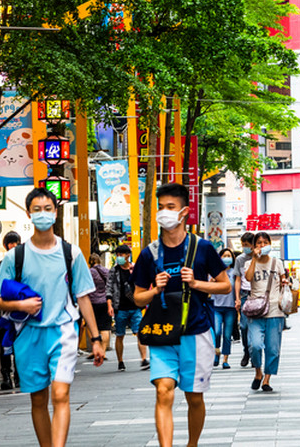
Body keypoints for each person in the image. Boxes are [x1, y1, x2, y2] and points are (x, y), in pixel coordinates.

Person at [0, 188, 106, 447]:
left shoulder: (71, 253)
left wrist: (96, 338)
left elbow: (84, 297)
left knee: (61, 393)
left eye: (47, 209)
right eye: (37, 210)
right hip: (28, 336)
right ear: (28, 213)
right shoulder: (14, 257)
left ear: (55, 212)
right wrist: (22, 304)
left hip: (63, 332)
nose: (42, 214)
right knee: (38, 399)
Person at [132, 183, 230, 447]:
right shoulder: (149, 253)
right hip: (162, 334)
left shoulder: (203, 248)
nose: (164, 212)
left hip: (196, 332)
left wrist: (197, 283)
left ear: (185, 211)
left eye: (170, 207)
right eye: (161, 207)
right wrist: (154, 290)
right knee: (163, 391)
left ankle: (192, 444)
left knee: (194, 396)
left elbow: (225, 285)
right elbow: (137, 296)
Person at [244, 232, 287, 392]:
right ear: (254, 247)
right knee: (254, 345)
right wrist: (255, 258)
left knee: (273, 348)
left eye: (265, 242)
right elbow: (248, 279)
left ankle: (267, 379)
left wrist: (285, 282)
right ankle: (258, 372)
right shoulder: (249, 263)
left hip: (275, 310)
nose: (262, 245)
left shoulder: (277, 263)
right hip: (256, 310)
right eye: (258, 243)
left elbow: (284, 279)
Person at [107, 244, 148, 371]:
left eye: (121, 255)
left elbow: (143, 283)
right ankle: (120, 361)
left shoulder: (136, 268)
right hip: (120, 308)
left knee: (139, 333)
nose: (119, 257)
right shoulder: (114, 271)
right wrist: (110, 305)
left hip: (135, 307)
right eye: (117, 255)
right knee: (120, 335)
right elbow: (108, 289)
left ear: (127, 255)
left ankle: (144, 359)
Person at [0, 231, 21, 390]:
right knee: (5, 345)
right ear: (6, 246)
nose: (13, 245)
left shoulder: (26, 264)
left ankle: (20, 376)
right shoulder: (0, 266)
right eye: (10, 243)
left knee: (21, 345)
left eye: (15, 242)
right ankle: (6, 376)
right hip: (5, 312)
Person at [211, 247, 238, 369]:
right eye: (224, 256)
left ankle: (225, 359)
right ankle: (216, 353)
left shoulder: (234, 272)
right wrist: (211, 282)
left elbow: (237, 287)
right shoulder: (215, 272)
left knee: (227, 335)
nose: (227, 258)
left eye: (229, 256)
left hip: (230, 307)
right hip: (216, 306)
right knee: (216, 332)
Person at [235, 232, 256, 367]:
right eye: (243, 245)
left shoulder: (260, 258)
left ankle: (254, 353)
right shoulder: (240, 259)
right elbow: (238, 279)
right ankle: (246, 351)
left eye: (247, 245)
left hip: (257, 295)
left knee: (256, 326)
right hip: (244, 295)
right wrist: (237, 298)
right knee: (243, 326)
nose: (244, 248)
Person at [87, 254, 113, 355]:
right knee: (105, 328)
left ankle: (95, 349)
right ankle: (103, 350)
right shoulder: (107, 271)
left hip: (92, 303)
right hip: (105, 302)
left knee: (91, 326)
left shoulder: (89, 272)